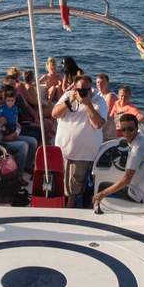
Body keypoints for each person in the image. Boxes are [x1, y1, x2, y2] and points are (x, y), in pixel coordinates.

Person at [51, 74, 107, 207]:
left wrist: (87, 104)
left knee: (77, 190)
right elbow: (54, 114)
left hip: (84, 155)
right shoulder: (68, 96)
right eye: (80, 89)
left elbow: (98, 124)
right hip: (65, 152)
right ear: (74, 88)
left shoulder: (98, 100)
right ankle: (67, 210)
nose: (84, 93)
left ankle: (75, 212)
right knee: (67, 188)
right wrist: (68, 102)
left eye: (87, 90)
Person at [92, 114, 144, 208]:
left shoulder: (137, 149)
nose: (126, 133)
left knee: (102, 186)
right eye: (123, 130)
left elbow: (127, 179)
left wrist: (102, 194)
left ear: (137, 128)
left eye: (130, 129)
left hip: (142, 197)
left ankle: (93, 210)